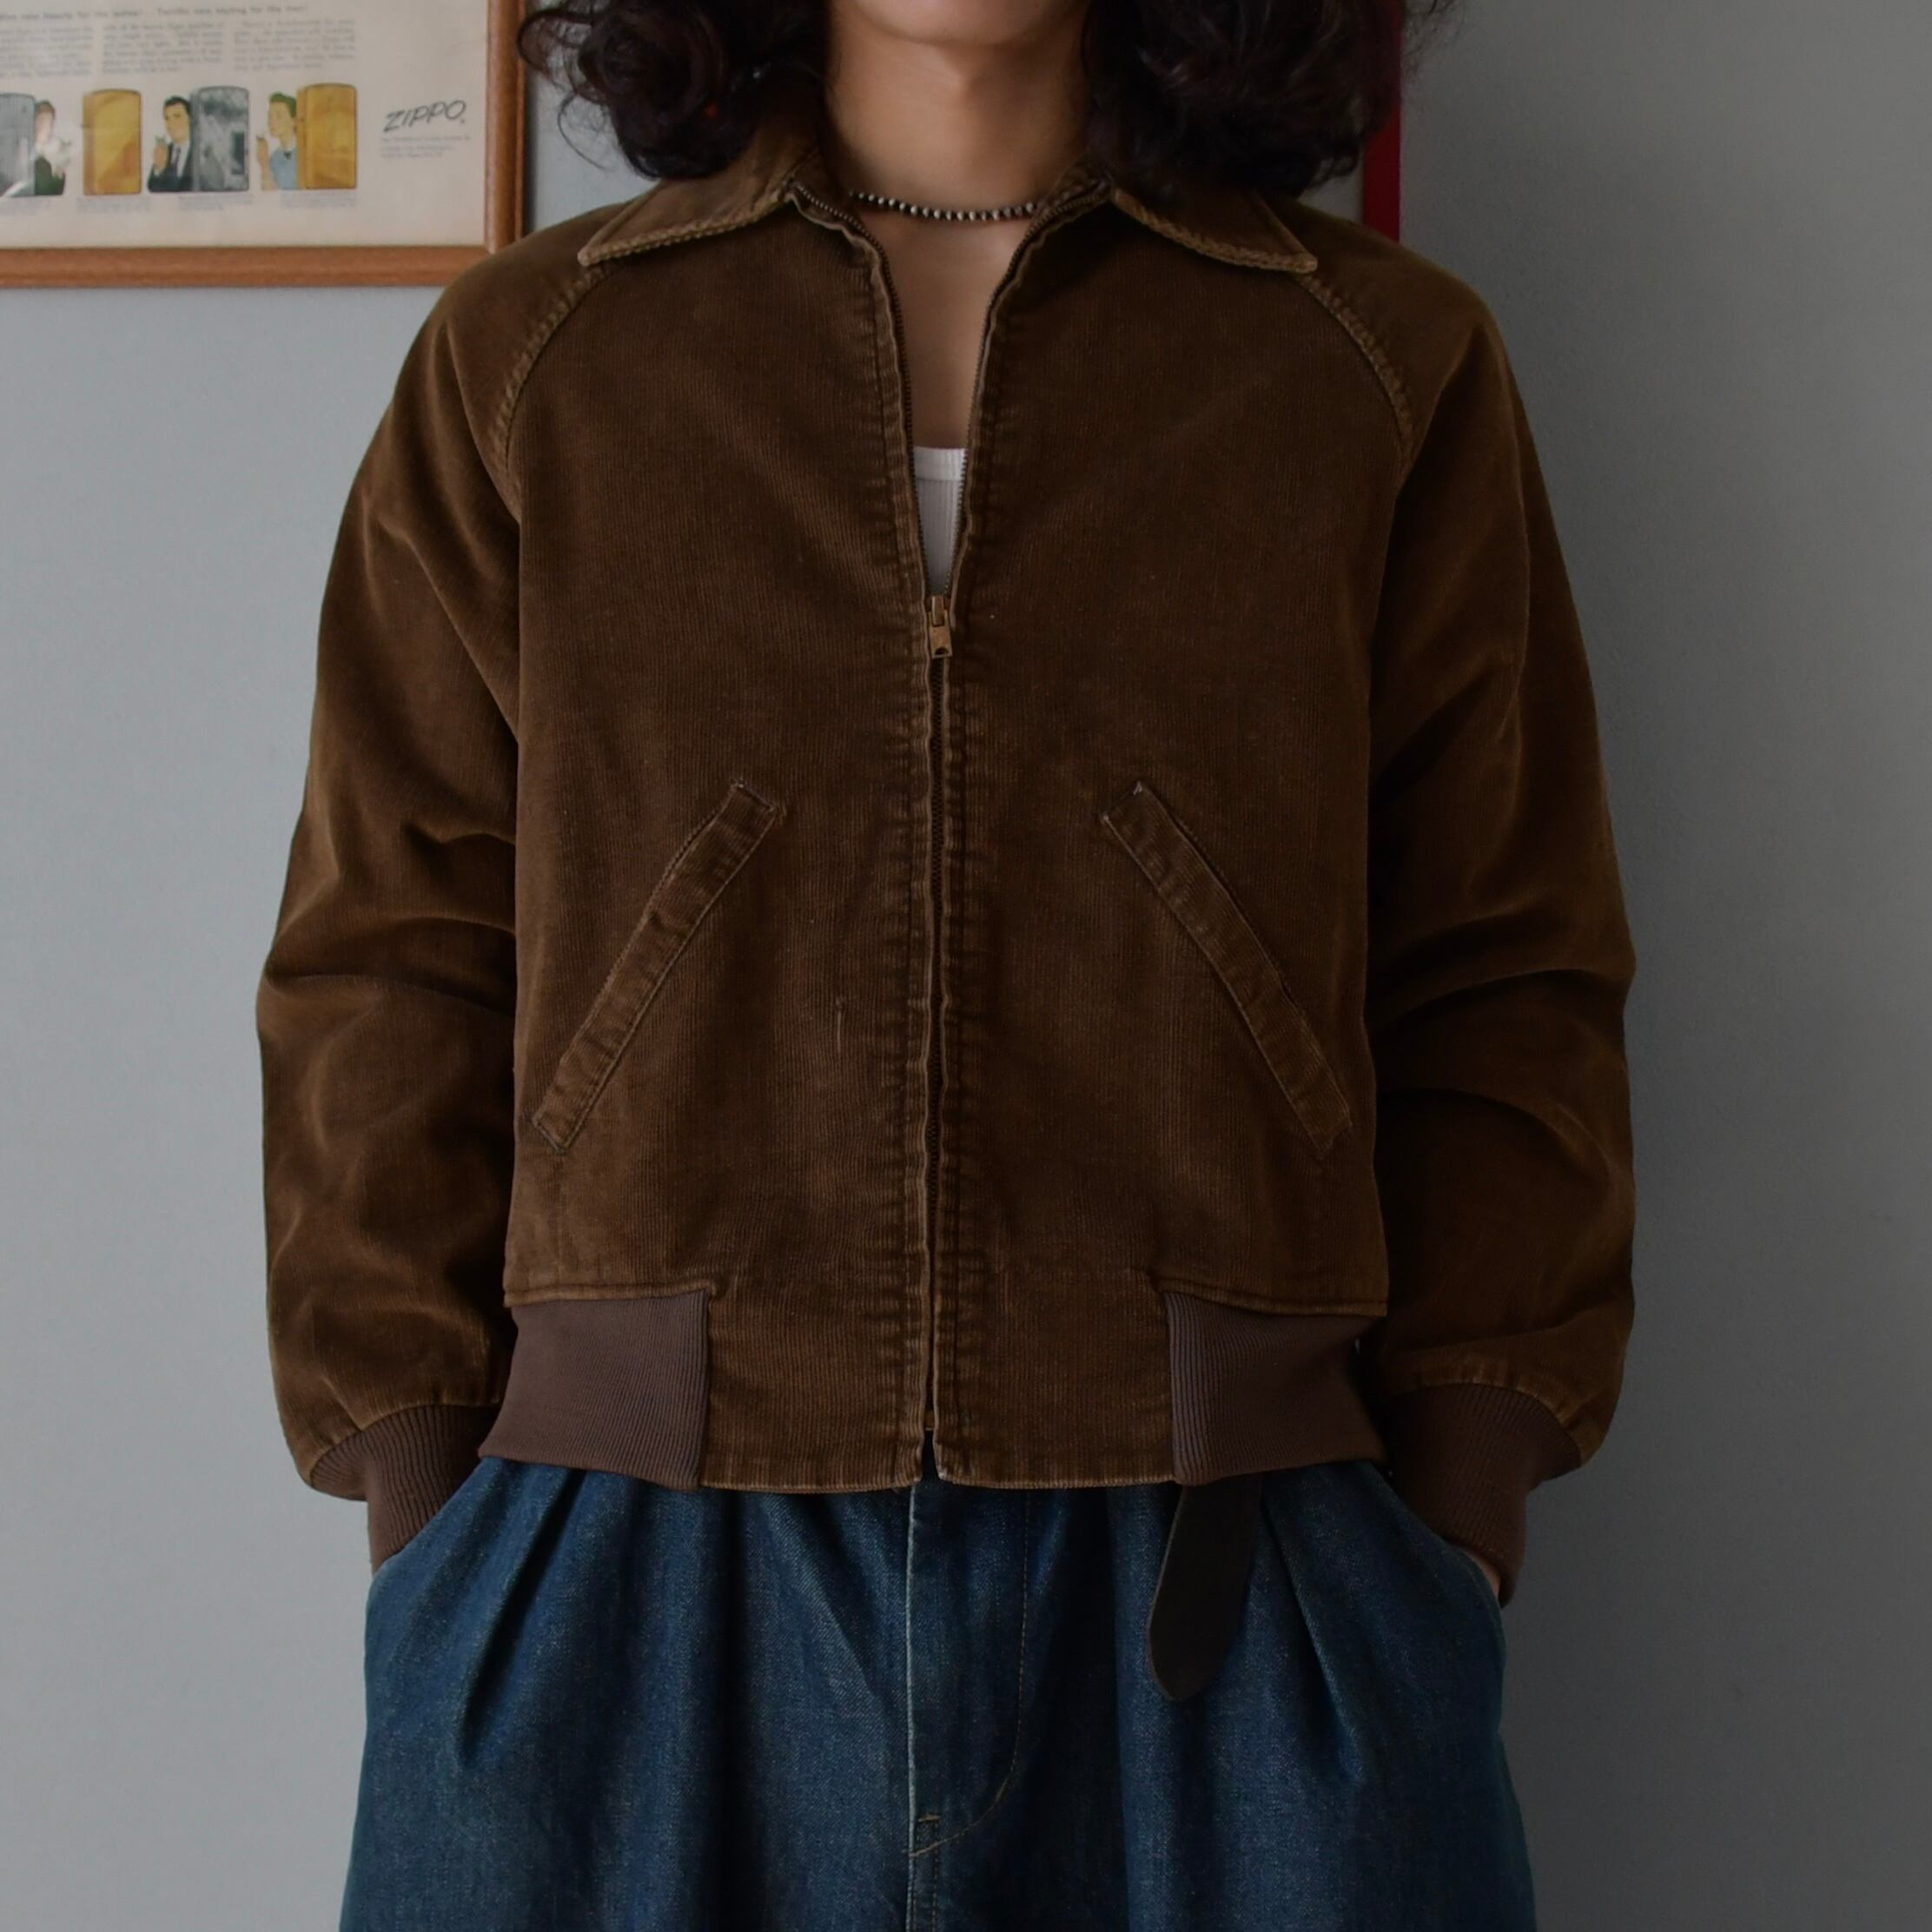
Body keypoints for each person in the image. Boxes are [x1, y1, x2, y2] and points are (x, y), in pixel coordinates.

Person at [254, 1, 1638, 1925]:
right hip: (617, 1573)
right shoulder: (537, 356)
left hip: (1241, 1570)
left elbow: (1500, 965)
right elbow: (386, 962)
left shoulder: (1372, 363)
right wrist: (435, 1509)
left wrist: (1451, 1516)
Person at [148, 96, 194, 192]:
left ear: (190, 119)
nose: (171, 124)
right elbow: (153, 189)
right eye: (167, 118)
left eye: (177, 116)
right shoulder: (164, 152)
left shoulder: (201, 152)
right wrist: (159, 169)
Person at [255, 91, 298, 191]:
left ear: (294, 121)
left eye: (279, 116)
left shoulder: (305, 155)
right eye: (270, 116)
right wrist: (264, 164)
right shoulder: (274, 158)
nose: (271, 122)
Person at [32, 101, 68, 195]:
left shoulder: (56, 151)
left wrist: (60, 169)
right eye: (42, 123)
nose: (48, 129)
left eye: (50, 124)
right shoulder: (26, 152)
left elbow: (56, 192)